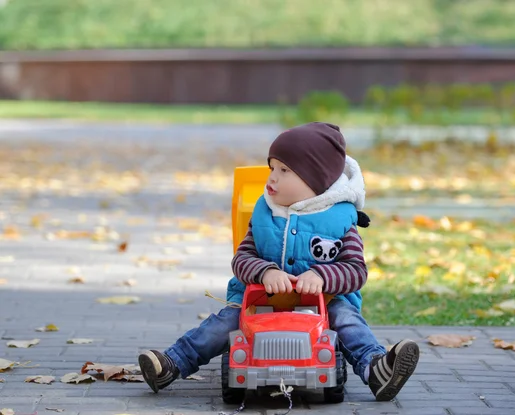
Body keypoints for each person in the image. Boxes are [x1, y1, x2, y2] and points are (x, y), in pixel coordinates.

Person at [138, 122, 420, 401]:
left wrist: (322, 277)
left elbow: (356, 271)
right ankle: (172, 363)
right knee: (220, 325)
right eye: (272, 168)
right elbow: (242, 258)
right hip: (259, 302)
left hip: (324, 303)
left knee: (347, 322)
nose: (272, 177)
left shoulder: (341, 221)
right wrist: (265, 271)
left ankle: (376, 368)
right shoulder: (264, 214)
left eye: (284, 171)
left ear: (315, 180)